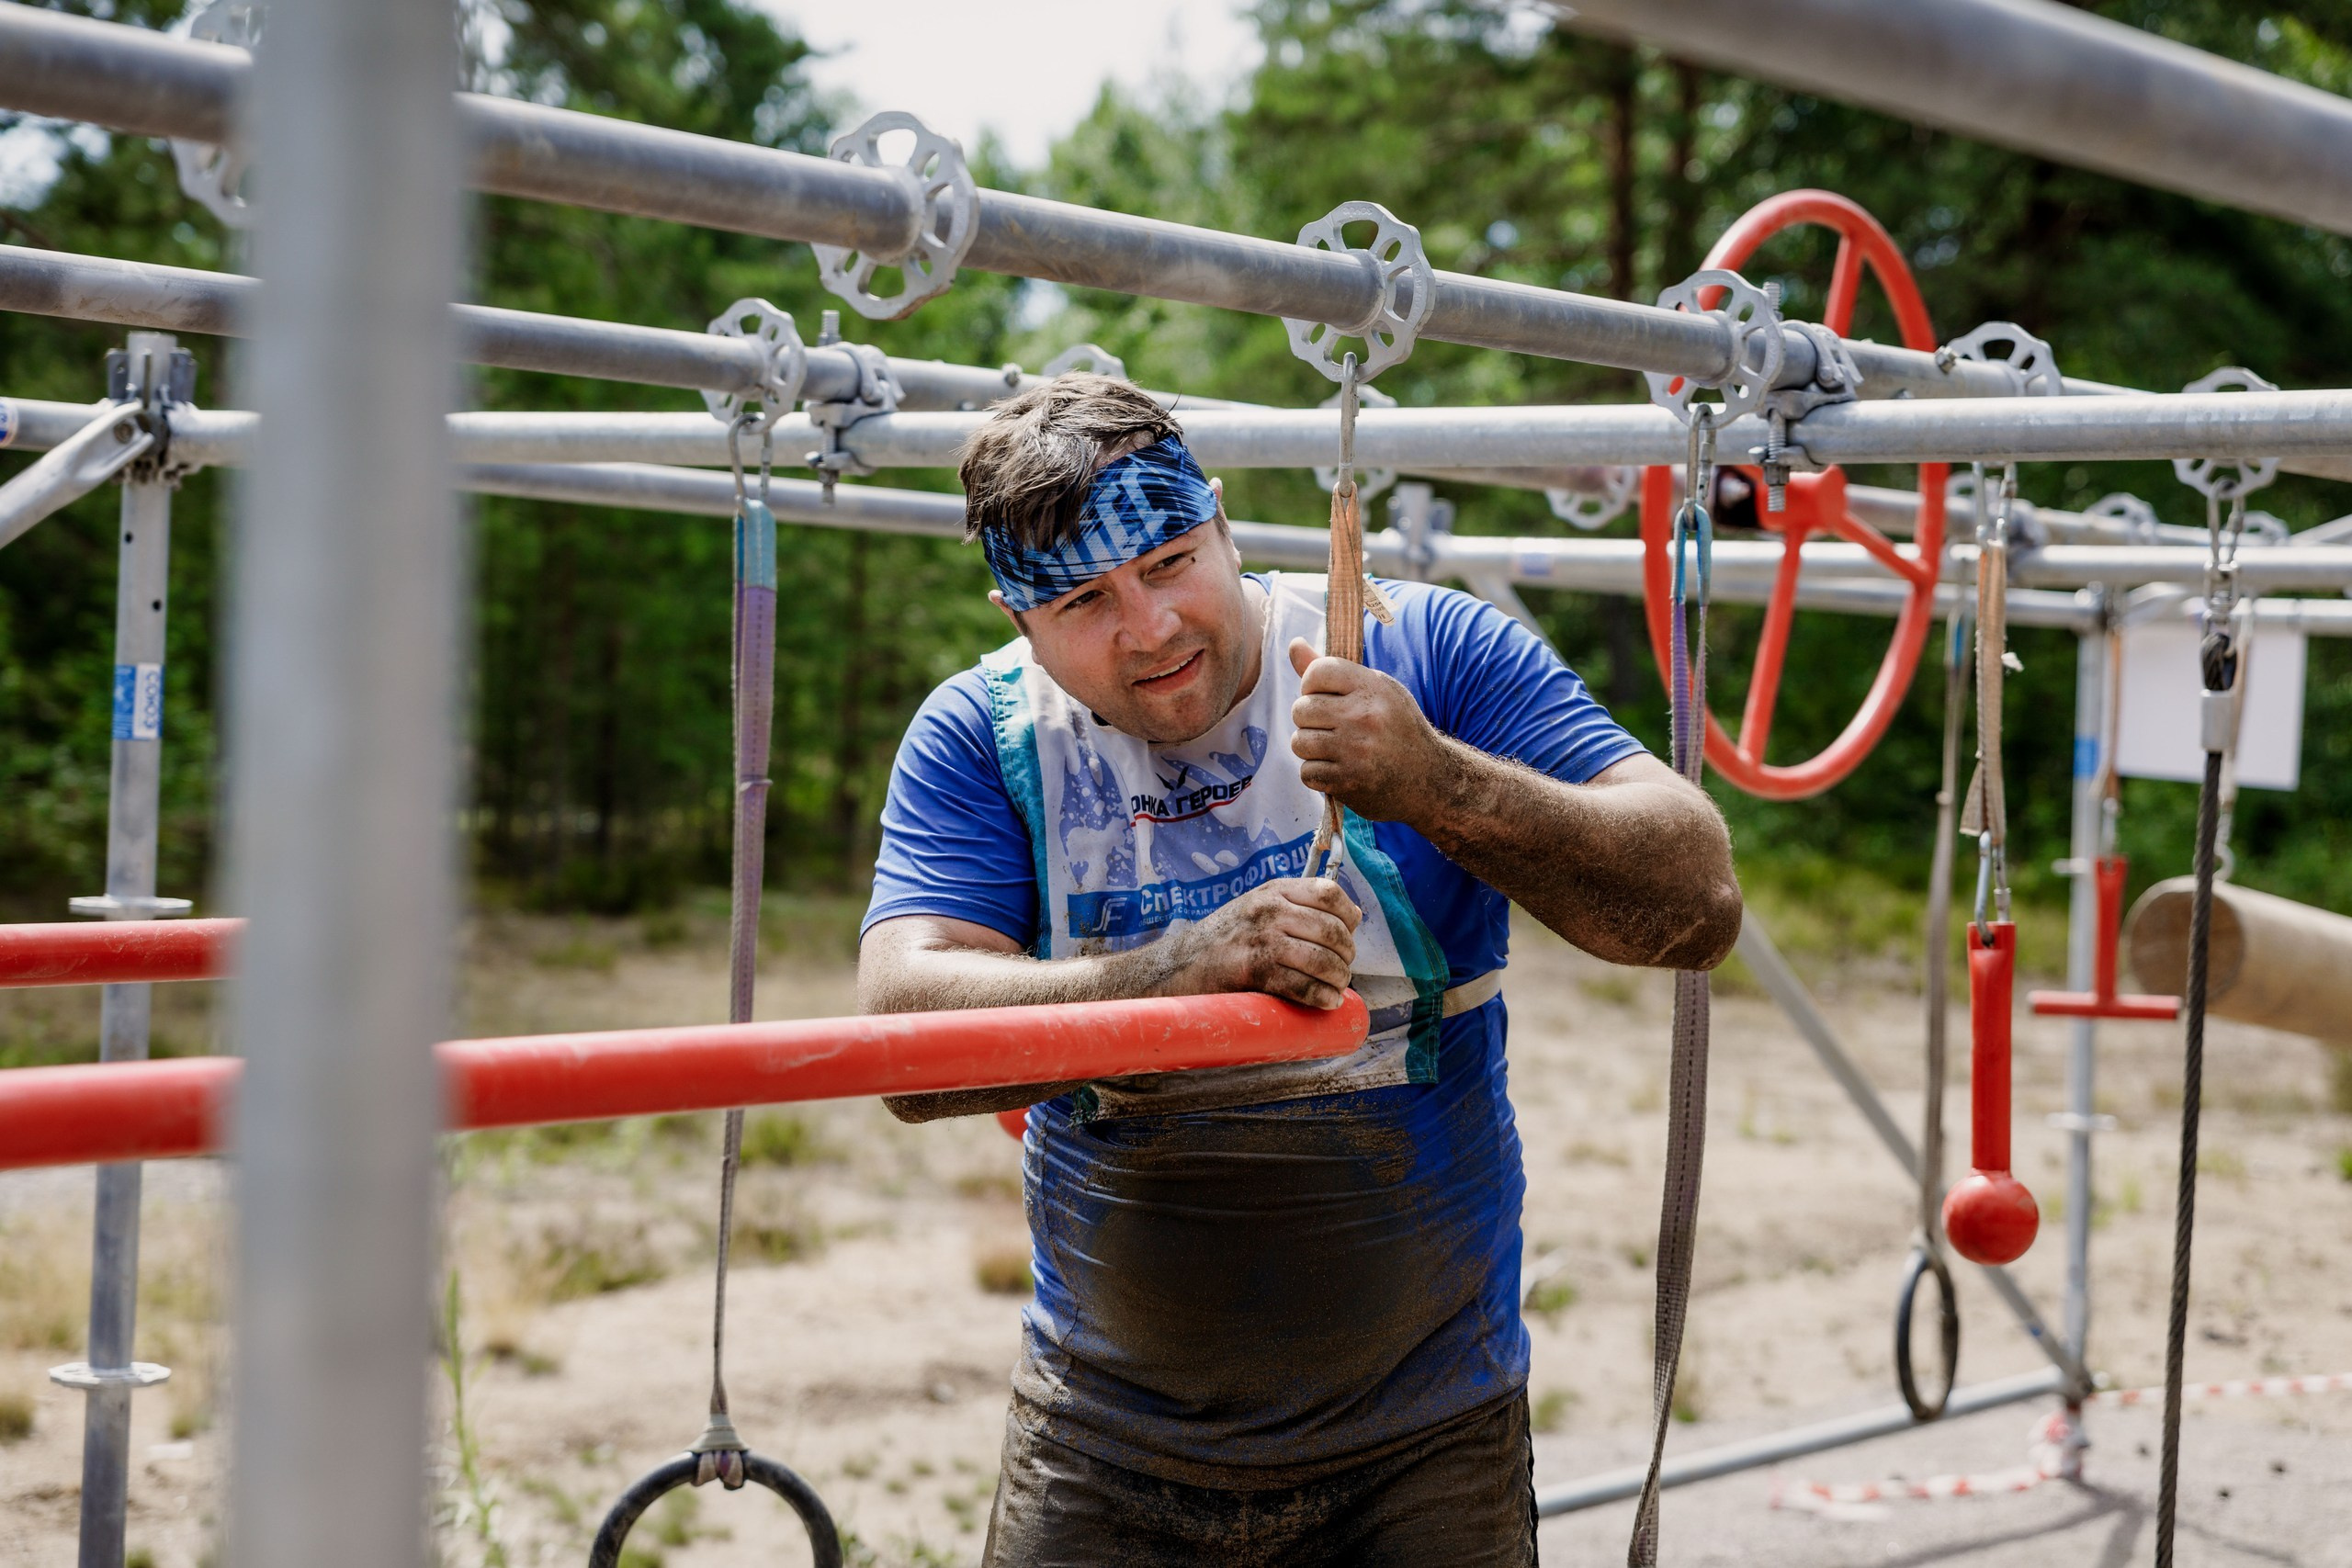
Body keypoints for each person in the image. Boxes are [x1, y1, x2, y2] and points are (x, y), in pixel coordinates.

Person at [858, 374, 1741, 1566]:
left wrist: (1437, 782)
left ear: (1222, 524)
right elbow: (908, 1041)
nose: (1150, 627)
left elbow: (1695, 904)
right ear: (1021, 622)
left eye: (1169, 560)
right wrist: (1175, 975)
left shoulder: (1418, 648)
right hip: (1106, 1445)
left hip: (1429, 1444)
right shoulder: (986, 734)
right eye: (1082, 600)